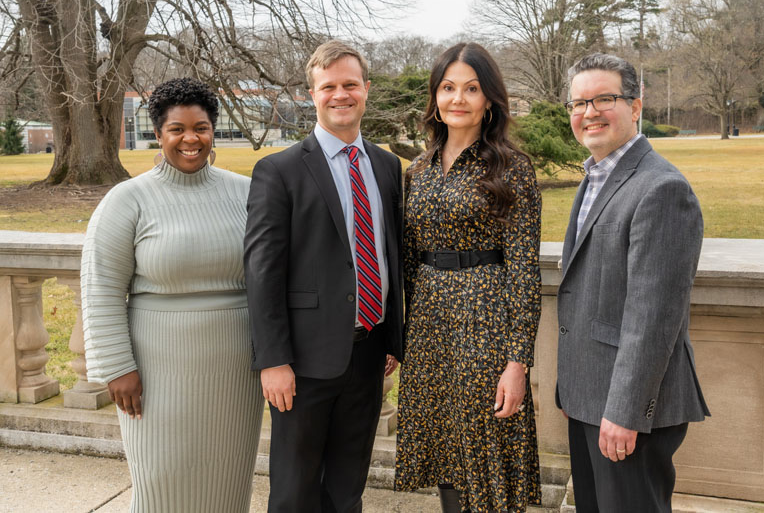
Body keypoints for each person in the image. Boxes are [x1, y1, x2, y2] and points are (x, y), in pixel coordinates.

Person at [81, 77, 264, 511]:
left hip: (237, 371)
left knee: (228, 484)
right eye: (176, 129)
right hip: (156, 372)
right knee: (161, 485)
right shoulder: (127, 200)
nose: (190, 139)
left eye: (200, 127)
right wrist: (116, 367)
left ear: (212, 130)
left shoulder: (247, 194)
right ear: (158, 134)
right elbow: (101, 288)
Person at [244, 40, 403, 512]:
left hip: (369, 354)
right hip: (303, 362)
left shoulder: (387, 165)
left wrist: (393, 336)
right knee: (294, 491)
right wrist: (273, 360)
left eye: (350, 84)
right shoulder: (279, 171)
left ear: (366, 90)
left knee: (347, 487)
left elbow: (390, 253)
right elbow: (262, 272)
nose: (341, 94)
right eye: (328, 86)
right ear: (311, 94)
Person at [556, 53, 711, 512]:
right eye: (579, 102)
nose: (589, 112)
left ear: (636, 106)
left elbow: (654, 317)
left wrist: (623, 412)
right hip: (589, 396)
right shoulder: (595, 175)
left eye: (605, 99)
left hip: (626, 410)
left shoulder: (661, 188)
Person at [394, 42, 542, 513]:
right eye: (448, 87)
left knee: (489, 455)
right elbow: (408, 261)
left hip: (486, 318)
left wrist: (518, 362)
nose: (458, 99)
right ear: (435, 97)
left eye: (471, 89)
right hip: (431, 325)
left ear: (489, 100)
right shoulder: (416, 170)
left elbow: (523, 267)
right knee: (446, 456)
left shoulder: (511, 167)